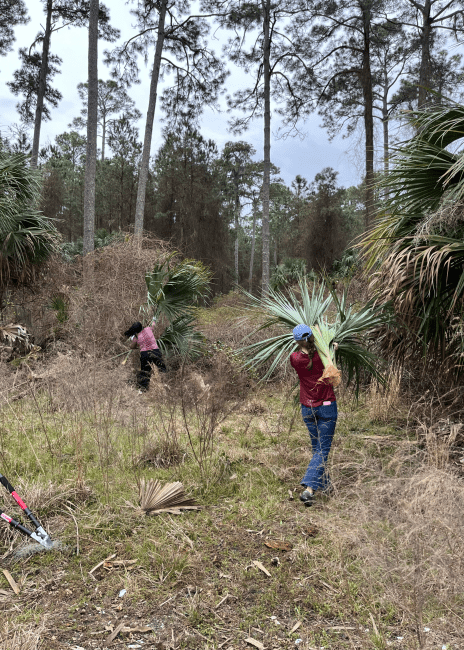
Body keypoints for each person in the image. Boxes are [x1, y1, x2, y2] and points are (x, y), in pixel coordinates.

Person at [290, 323, 338, 507]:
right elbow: (332, 371)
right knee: (322, 449)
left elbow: (305, 359)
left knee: (317, 447)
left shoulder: (294, 358)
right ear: (313, 337)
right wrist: (333, 351)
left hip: (307, 408)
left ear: (296, 341)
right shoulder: (323, 355)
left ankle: (325, 486)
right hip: (327, 407)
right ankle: (309, 489)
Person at [124, 321, 167, 391]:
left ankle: (143, 389)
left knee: (145, 372)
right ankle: (165, 385)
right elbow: (153, 324)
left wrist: (133, 339)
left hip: (145, 354)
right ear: (141, 326)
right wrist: (154, 319)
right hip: (155, 351)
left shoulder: (137, 337)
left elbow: (132, 347)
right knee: (162, 368)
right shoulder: (148, 329)